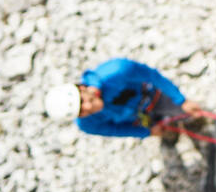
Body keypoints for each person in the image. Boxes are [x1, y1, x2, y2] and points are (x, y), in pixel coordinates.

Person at [44, 57, 206, 140]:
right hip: (137, 118)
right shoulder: (87, 124)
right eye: (81, 112)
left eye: (82, 101)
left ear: (81, 88)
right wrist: (147, 132)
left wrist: (181, 100)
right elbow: (116, 130)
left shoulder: (116, 71)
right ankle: (168, 131)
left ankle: (190, 120)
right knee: (163, 129)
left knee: (187, 112)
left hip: (153, 96)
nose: (88, 108)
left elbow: (152, 76)